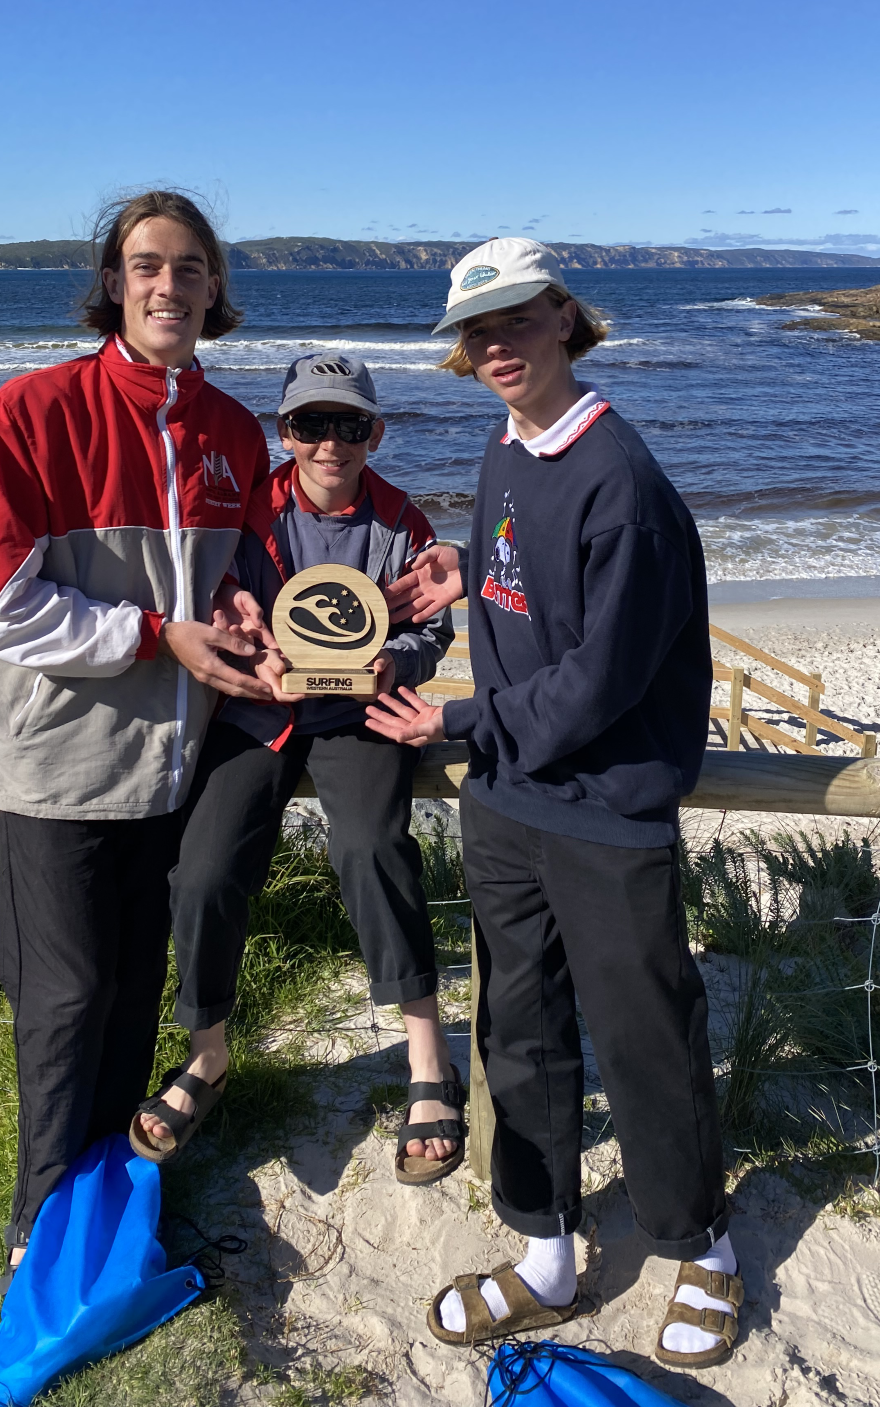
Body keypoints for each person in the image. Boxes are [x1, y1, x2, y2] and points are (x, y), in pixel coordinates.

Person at [369, 239, 741, 1368]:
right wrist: (463, 566)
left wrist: (458, 723)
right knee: (518, 1033)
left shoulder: (623, 479)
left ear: (566, 319)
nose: (494, 347)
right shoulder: (507, 452)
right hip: (510, 803)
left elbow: (603, 679)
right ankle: (545, 1249)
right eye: (475, 332)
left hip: (606, 802)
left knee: (644, 1035)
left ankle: (701, 1244)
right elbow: (523, 555)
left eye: (516, 321)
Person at [0, 190, 281, 1292]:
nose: (169, 286)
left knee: (134, 988)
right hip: (58, 761)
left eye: (192, 268)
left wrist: (234, 615)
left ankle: (105, 1200)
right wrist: (157, 635)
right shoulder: (33, 411)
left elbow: (226, 582)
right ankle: (38, 1241)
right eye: (148, 265)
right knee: (65, 1001)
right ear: (111, 281)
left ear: (216, 289)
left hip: (168, 765)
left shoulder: (234, 431)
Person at [130, 353, 468, 1184]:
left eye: (349, 425)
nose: (328, 444)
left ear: (374, 433)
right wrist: (256, 657)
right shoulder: (250, 512)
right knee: (203, 870)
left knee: (373, 850)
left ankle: (429, 1059)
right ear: (284, 432)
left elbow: (433, 628)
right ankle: (207, 1054)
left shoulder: (403, 523)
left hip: (360, 715)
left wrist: (395, 662)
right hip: (261, 714)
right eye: (310, 424)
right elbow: (221, 608)